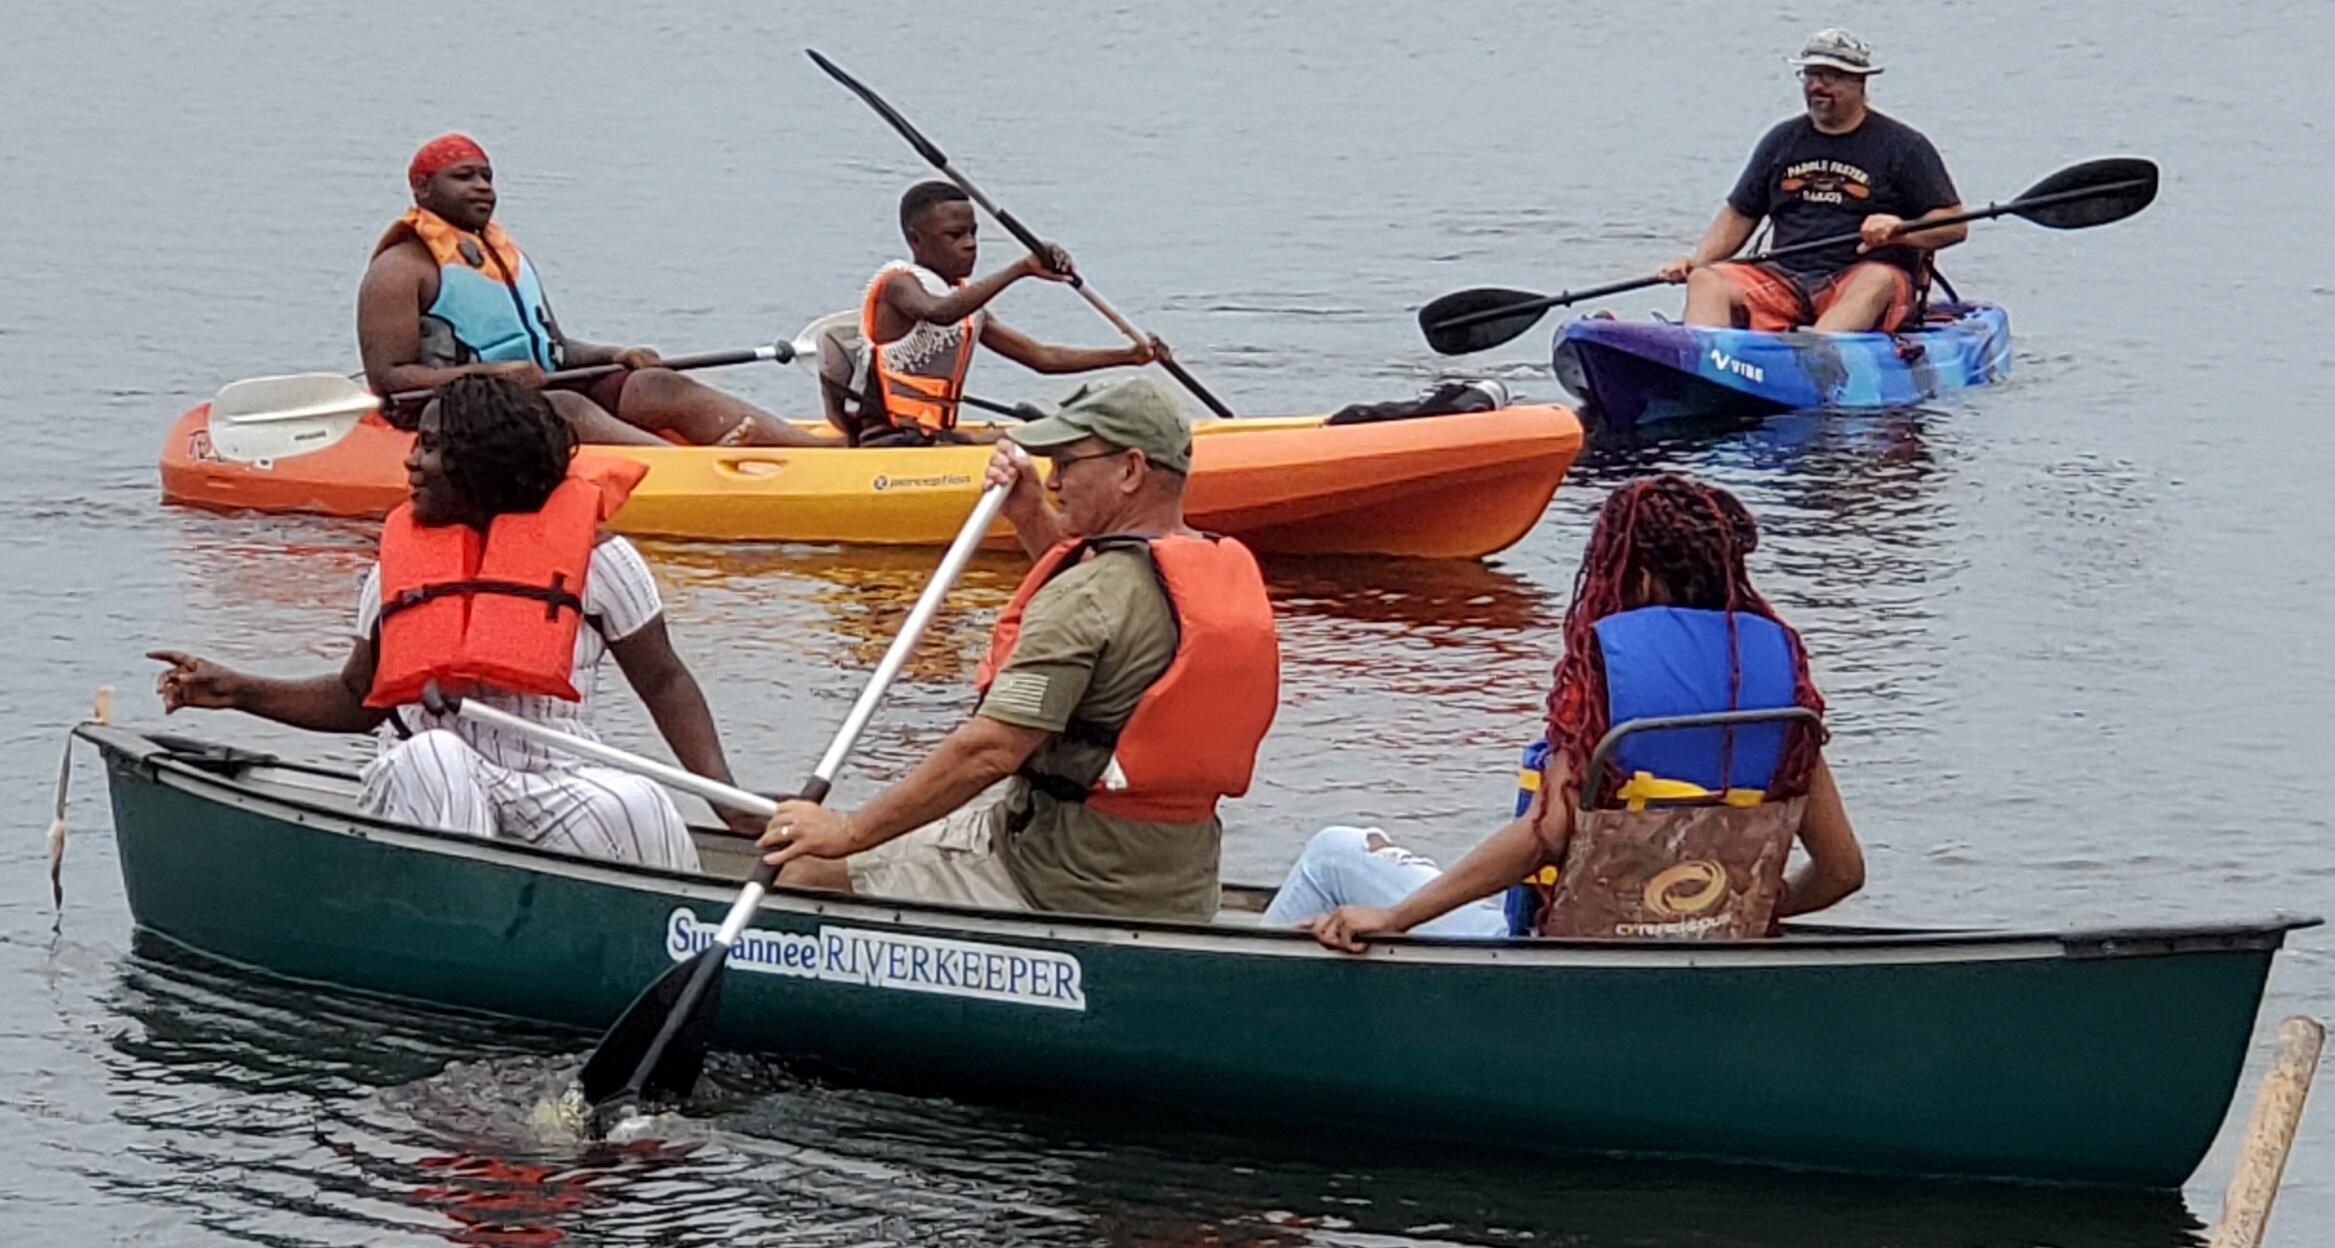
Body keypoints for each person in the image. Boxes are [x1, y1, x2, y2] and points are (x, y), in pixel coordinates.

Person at [149, 375, 762, 869]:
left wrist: (725, 798)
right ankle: (467, 926)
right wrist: (238, 692)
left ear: (485, 464)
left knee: (637, 803)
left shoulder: (602, 561)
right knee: (436, 755)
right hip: (425, 780)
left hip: (550, 775)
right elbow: (357, 700)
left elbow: (665, 683)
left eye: (433, 447)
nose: (412, 463)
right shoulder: (394, 570)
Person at [757, 378, 1281, 920]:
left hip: (1055, 879)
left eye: (1068, 464)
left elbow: (989, 751)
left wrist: (847, 831)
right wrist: (1030, 516)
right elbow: (1109, 622)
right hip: (1176, 881)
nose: (1054, 483)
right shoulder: (1214, 569)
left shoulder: (1088, 597)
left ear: (1129, 470)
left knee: (800, 869)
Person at [1276, 474, 1867, 950]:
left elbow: (1543, 836)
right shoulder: (1782, 690)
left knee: (1335, 854)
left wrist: (1398, 916)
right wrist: (1727, 908)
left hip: (1556, 948)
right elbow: (1842, 871)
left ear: (1637, 576)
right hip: (1705, 940)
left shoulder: (1609, 668)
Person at [359, 133, 824, 448]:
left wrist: (615, 353)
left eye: (487, 176)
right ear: (422, 188)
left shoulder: (501, 255)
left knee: (654, 384)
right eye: (464, 177)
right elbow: (392, 382)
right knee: (566, 408)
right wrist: (498, 376)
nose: (483, 187)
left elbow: (555, 350)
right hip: (453, 414)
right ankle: (697, 474)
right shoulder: (399, 269)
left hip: (529, 392)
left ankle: (821, 455)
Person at [1656, 29, 1966, 333]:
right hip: (1784, 278)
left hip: (1861, 278)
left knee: (1876, 280)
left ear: (1860, 82)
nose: (1817, 85)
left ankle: (1817, 357)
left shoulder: (1903, 146)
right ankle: (1704, 363)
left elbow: (1954, 224)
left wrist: (1899, 232)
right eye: (1810, 75)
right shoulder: (1781, 141)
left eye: (1830, 76)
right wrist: (1697, 261)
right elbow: (1741, 213)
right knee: (1707, 280)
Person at [846, 181, 1161, 447]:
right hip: (891, 442)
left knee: (1045, 432)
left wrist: (1129, 356)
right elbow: (939, 313)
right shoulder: (898, 285)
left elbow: (1041, 357)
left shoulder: (967, 305)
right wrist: (1021, 269)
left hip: (935, 438)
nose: (970, 245)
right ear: (916, 240)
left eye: (973, 233)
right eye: (955, 236)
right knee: (1027, 438)